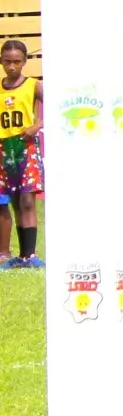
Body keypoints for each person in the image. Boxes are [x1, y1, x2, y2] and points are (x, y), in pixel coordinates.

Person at [0, 39, 42, 267]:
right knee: (13, 200)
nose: (12, 66)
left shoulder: (33, 85)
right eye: (7, 62)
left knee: (27, 199)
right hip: (4, 148)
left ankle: (30, 254)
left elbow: (59, 106)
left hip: (26, 147)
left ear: (25, 61)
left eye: (17, 61)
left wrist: (38, 125)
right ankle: (17, 256)